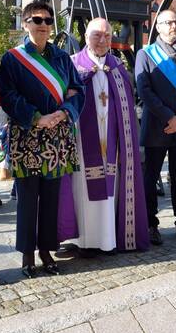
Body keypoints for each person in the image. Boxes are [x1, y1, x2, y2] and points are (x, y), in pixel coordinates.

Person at [0, 1, 85, 278]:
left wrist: (63, 112)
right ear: (26, 24)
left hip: (58, 135)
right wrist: (37, 117)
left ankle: (47, 250)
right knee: (28, 198)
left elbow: (77, 91)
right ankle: (27, 254)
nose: (44, 25)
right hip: (27, 136)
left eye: (48, 20)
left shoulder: (62, 57)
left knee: (51, 198)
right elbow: (8, 96)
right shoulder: (13, 58)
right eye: (37, 20)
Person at [58, 18, 150, 255]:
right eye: (97, 35)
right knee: (82, 188)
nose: (102, 40)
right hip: (80, 142)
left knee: (110, 187)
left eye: (107, 36)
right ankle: (82, 241)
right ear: (86, 37)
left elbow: (127, 108)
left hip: (112, 142)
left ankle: (107, 239)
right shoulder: (71, 65)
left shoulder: (118, 68)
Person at [135, 9, 176, 246]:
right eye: (168, 22)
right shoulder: (145, 54)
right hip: (156, 127)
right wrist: (169, 118)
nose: (173, 26)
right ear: (158, 26)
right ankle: (151, 224)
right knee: (150, 178)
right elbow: (144, 91)